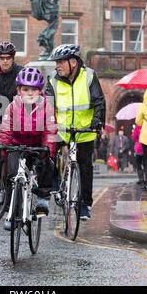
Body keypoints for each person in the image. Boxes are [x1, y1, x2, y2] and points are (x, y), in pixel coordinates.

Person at [45, 44, 106, 220]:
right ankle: (54, 184)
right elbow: (47, 106)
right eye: (56, 62)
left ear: (73, 62)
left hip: (84, 130)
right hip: (60, 130)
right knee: (46, 157)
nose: (57, 66)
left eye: (60, 62)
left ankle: (84, 204)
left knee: (85, 167)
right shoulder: (52, 79)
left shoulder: (89, 76)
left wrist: (97, 120)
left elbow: (99, 101)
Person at [0, 67, 57, 230]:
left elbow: (50, 131)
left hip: (37, 145)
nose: (30, 93)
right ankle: (11, 212)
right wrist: (2, 147)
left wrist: (47, 149)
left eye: (34, 90)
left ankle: (43, 199)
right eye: (26, 89)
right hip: (17, 144)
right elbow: (6, 129)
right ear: (19, 90)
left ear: (40, 91)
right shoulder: (12, 106)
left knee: (48, 164)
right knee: (12, 174)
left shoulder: (47, 107)